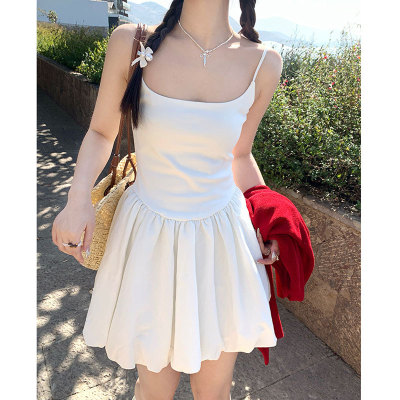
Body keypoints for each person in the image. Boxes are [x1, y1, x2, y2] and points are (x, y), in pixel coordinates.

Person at [51, 0, 283, 399]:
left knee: (214, 389)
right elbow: (102, 132)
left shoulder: (264, 63)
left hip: (222, 244)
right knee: (154, 388)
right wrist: (77, 199)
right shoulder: (131, 42)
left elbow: (240, 156)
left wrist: (270, 220)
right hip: (149, 240)